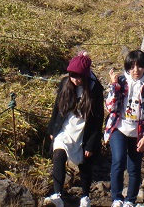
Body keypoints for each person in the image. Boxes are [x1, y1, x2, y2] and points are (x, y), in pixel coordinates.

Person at [44, 52, 104, 207]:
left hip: (84, 130)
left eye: (79, 77)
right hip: (65, 127)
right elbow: (56, 108)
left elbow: (98, 120)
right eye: (73, 76)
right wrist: (52, 129)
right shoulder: (65, 84)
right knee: (58, 155)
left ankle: (85, 196)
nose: (76, 80)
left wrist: (91, 143)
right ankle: (57, 194)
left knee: (85, 163)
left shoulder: (95, 89)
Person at [104, 50, 144, 207]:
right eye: (132, 66)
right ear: (127, 67)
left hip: (139, 132)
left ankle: (130, 200)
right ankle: (116, 198)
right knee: (118, 160)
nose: (136, 70)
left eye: (140, 66)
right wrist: (114, 86)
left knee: (134, 167)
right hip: (119, 127)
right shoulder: (121, 81)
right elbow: (110, 107)